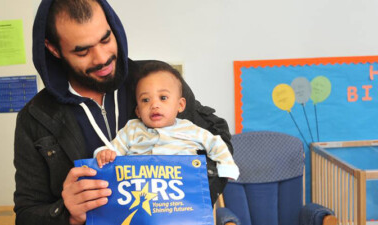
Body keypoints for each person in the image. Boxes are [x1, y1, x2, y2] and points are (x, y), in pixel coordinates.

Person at [13, 0, 232, 224]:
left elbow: (217, 134)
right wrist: (68, 213)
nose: (101, 58)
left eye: (105, 39)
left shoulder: (155, 80)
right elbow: (26, 214)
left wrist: (195, 188)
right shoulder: (36, 117)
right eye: (82, 51)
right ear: (54, 49)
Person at [95, 61, 240, 181]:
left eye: (163, 98)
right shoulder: (132, 129)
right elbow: (113, 150)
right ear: (138, 111)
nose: (154, 105)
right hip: (141, 189)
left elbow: (215, 143)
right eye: (145, 100)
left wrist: (226, 167)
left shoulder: (189, 129)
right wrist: (104, 153)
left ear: (180, 105)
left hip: (181, 188)